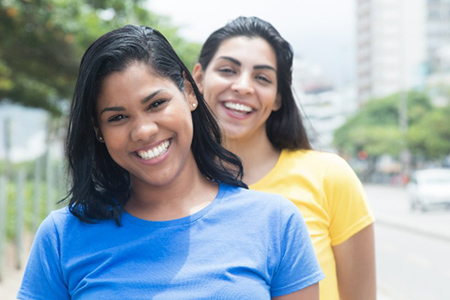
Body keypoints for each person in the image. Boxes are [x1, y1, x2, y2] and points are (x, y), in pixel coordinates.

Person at [17, 25, 324, 300]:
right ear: (99, 130)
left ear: (190, 93)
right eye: (118, 117)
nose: (144, 131)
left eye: (156, 104)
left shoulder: (275, 222)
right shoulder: (61, 237)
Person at [192, 16, 376, 300]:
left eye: (262, 78)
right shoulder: (173, 184)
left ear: (278, 97)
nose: (243, 87)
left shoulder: (329, 177)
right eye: (228, 70)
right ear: (199, 79)